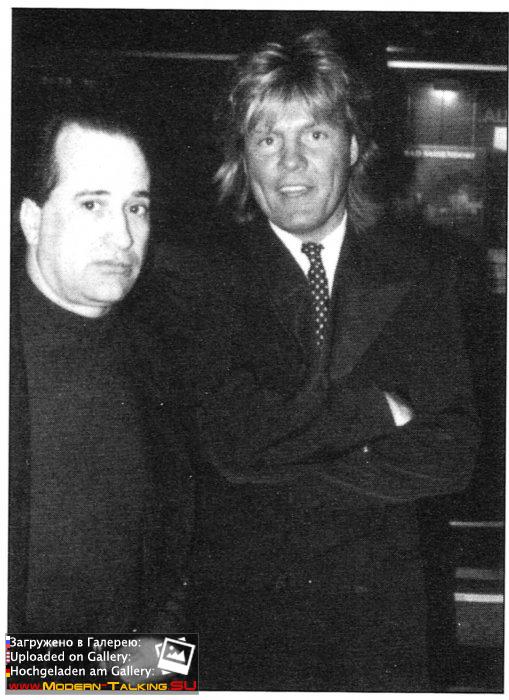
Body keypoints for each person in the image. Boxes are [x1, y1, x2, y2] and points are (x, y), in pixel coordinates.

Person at [151, 30, 478, 691]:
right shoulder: (193, 274)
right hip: (240, 627)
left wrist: (278, 470)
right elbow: (231, 443)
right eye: (267, 139)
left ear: (352, 147)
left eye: (315, 134)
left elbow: (451, 451)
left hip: (383, 627)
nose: (291, 161)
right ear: (243, 158)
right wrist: (377, 412)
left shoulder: (424, 270)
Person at [9, 112, 192, 633]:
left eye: (137, 207)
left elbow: (176, 575)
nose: (123, 236)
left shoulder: (162, 354)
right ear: (33, 220)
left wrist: (157, 671)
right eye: (93, 204)